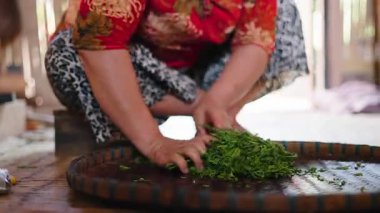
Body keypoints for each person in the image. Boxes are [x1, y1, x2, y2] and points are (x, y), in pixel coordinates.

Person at [45, 0, 308, 174]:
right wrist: (154, 143)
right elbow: (99, 43)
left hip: (198, 67)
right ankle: (201, 108)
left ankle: (215, 111)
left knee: (284, 13)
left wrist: (217, 99)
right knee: (64, 54)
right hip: (128, 69)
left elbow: (254, 41)